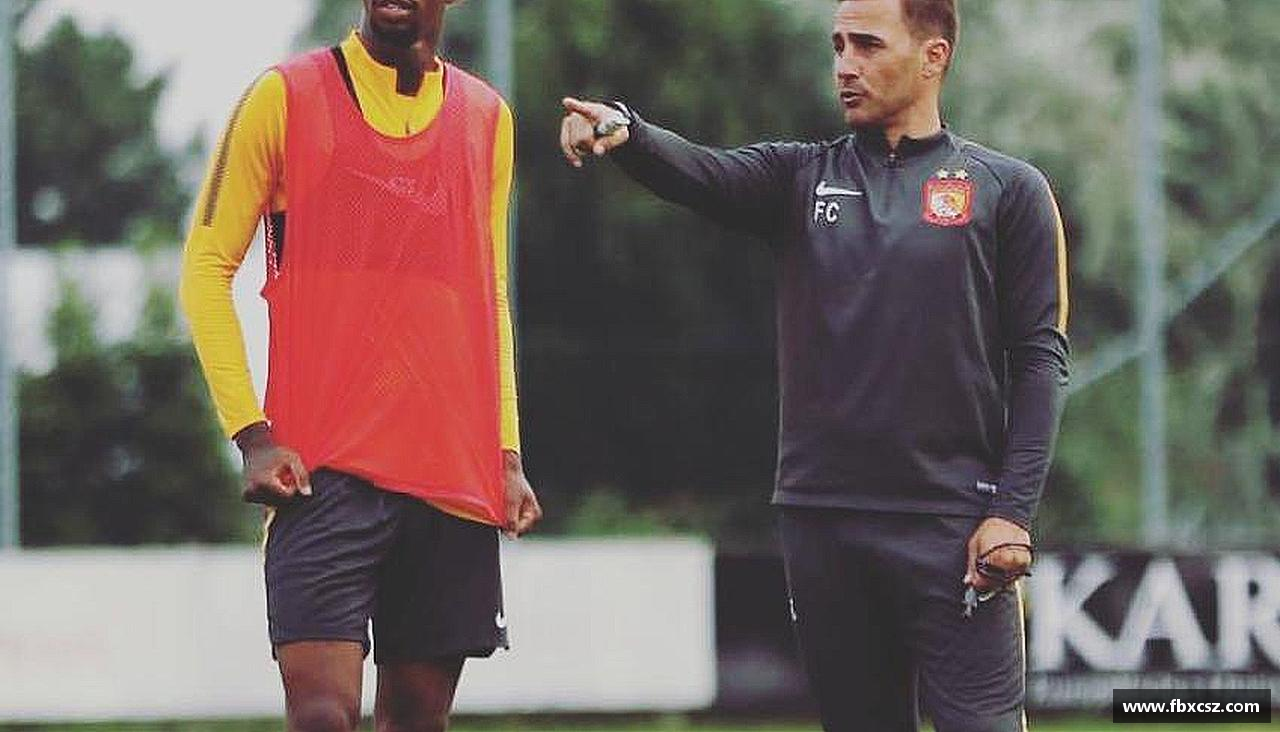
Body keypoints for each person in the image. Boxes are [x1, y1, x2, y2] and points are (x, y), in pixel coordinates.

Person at [559, 0, 1068, 730]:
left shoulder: (1008, 190)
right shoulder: (799, 176)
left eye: (867, 45)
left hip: (956, 529)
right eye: (837, 46)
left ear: (934, 57)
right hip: (823, 525)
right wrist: (628, 132)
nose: (844, 66)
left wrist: (1011, 514)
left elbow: (1040, 362)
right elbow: (703, 171)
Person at [179, 0, 541, 729]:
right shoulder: (283, 97)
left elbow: (488, 293)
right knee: (322, 716)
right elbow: (205, 268)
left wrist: (505, 453)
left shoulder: (487, 119)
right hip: (323, 474)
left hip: (450, 476)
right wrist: (252, 435)